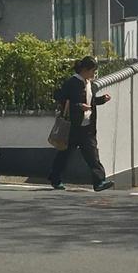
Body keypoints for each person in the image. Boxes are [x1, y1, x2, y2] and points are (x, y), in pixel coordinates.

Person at [49, 55, 114, 191]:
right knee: (64, 154)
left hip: (87, 126)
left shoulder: (88, 83)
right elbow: (63, 100)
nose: (93, 74)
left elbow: (91, 101)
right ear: (84, 69)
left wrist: (102, 99)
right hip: (73, 126)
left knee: (92, 155)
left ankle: (99, 182)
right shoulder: (72, 83)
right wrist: (79, 106)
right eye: (92, 71)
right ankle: (55, 178)